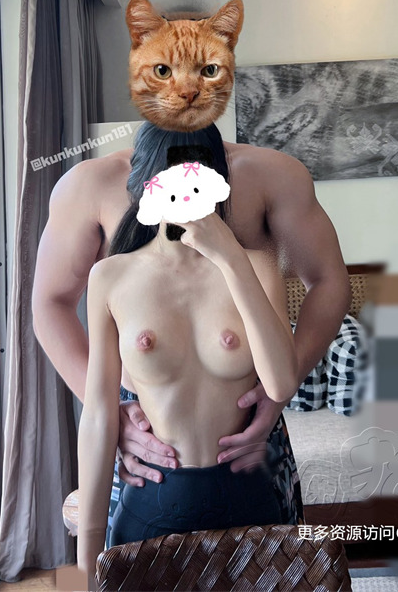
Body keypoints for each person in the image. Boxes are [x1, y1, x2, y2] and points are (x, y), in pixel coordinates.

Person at [32, 0, 350, 520]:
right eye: (166, 69)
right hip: (146, 434)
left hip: (247, 431)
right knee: (135, 563)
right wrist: (109, 413)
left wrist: (280, 392)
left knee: (272, 563)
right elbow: (49, 302)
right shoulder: (88, 185)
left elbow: (329, 281)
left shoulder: (274, 176)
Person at [77, 144, 299, 589]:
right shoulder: (110, 276)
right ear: (146, 187)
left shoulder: (257, 264)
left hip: (249, 501)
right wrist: (85, 562)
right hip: (152, 503)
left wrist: (231, 258)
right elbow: (99, 415)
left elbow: (280, 383)